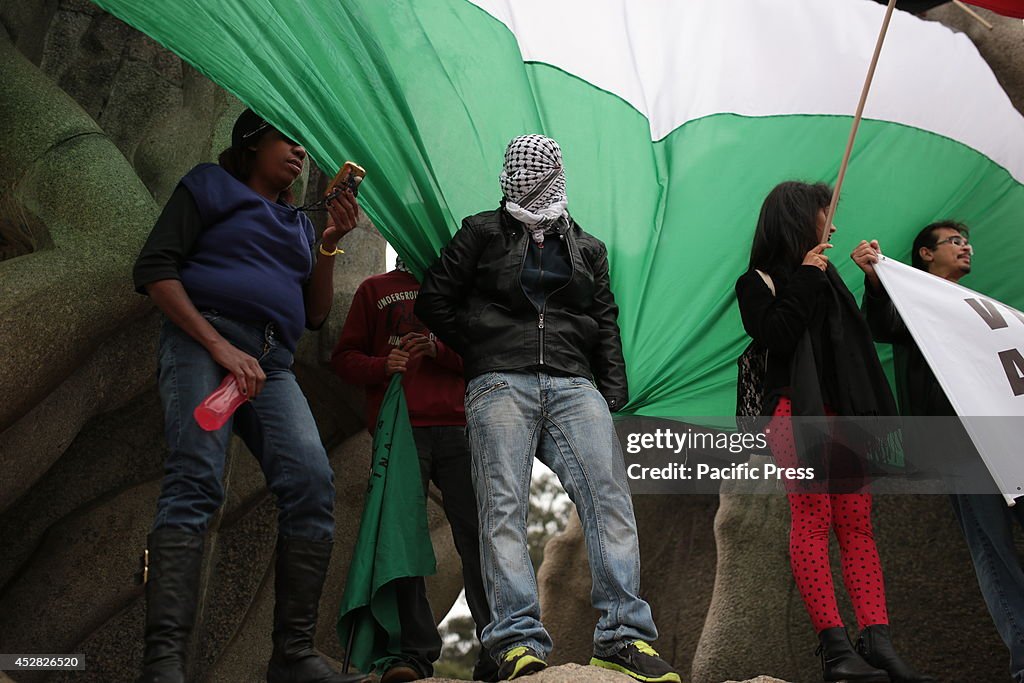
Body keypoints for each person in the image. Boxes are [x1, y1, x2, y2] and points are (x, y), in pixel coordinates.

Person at [414, 135, 679, 683]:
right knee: (502, 507)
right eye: (518, 169)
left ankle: (624, 638)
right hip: (499, 382)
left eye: (535, 169)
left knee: (608, 498)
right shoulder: (480, 231)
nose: (526, 178)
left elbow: (605, 322)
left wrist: (611, 394)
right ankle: (514, 642)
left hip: (574, 385)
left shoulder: (587, 247)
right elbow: (432, 299)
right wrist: (483, 344)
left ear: (556, 171)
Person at [131, 108, 368, 683]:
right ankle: (163, 664)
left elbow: (313, 314)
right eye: (286, 139)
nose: (299, 152)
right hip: (204, 343)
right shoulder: (208, 184)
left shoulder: (299, 224)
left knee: (312, 484)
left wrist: (329, 244)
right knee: (198, 479)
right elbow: (155, 269)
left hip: (272, 364)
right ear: (251, 142)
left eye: (302, 147)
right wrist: (219, 347)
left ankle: (291, 656)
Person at [735, 181, 933, 683]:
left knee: (857, 524)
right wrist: (805, 275)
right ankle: (836, 648)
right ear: (800, 217)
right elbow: (777, 333)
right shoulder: (756, 281)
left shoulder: (828, 278)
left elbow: (860, 341)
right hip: (792, 411)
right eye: (827, 213)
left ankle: (879, 643)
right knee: (813, 514)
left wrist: (869, 279)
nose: (834, 223)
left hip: (842, 413)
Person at [855, 222, 1024, 683]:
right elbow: (883, 324)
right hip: (959, 445)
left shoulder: (977, 308)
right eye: (953, 240)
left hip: (1010, 440)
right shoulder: (916, 304)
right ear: (925, 255)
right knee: (993, 551)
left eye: (968, 239)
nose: (966, 245)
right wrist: (876, 277)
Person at [330, 257, 497, 683]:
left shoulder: (462, 286)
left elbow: (488, 355)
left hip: (460, 425)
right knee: (399, 540)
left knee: (480, 535)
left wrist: (438, 349)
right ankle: (410, 655)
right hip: (400, 429)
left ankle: (499, 649)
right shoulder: (375, 288)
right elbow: (344, 358)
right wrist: (380, 366)